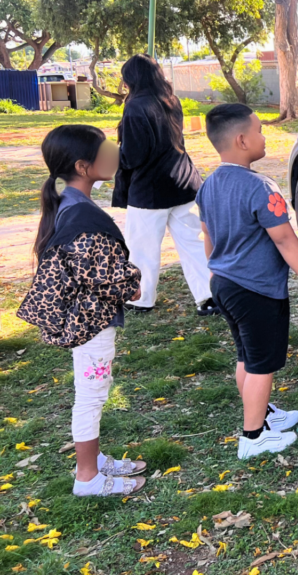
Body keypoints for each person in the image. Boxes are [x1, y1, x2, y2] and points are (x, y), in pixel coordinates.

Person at [17, 125, 147, 496]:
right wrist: (131, 284)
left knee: (94, 388)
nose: (114, 155)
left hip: (88, 320)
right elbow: (102, 275)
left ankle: (94, 460)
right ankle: (87, 477)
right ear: (83, 166)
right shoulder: (81, 218)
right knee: (92, 394)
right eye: (106, 151)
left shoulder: (72, 205)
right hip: (91, 323)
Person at [196, 104, 298, 459]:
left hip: (225, 284)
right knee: (263, 361)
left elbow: (207, 235)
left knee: (246, 355)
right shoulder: (260, 186)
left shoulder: (208, 184)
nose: (264, 137)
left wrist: (215, 270)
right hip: (257, 289)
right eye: (260, 130)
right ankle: (252, 436)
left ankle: (262, 415)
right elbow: (284, 238)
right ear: (242, 139)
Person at [112, 54, 216, 316]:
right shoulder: (171, 100)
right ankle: (209, 296)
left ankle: (141, 298)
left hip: (149, 189)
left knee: (142, 246)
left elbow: (134, 155)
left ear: (131, 80)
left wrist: (115, 156)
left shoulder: (135, 107)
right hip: (183, 181)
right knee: (193, 243)